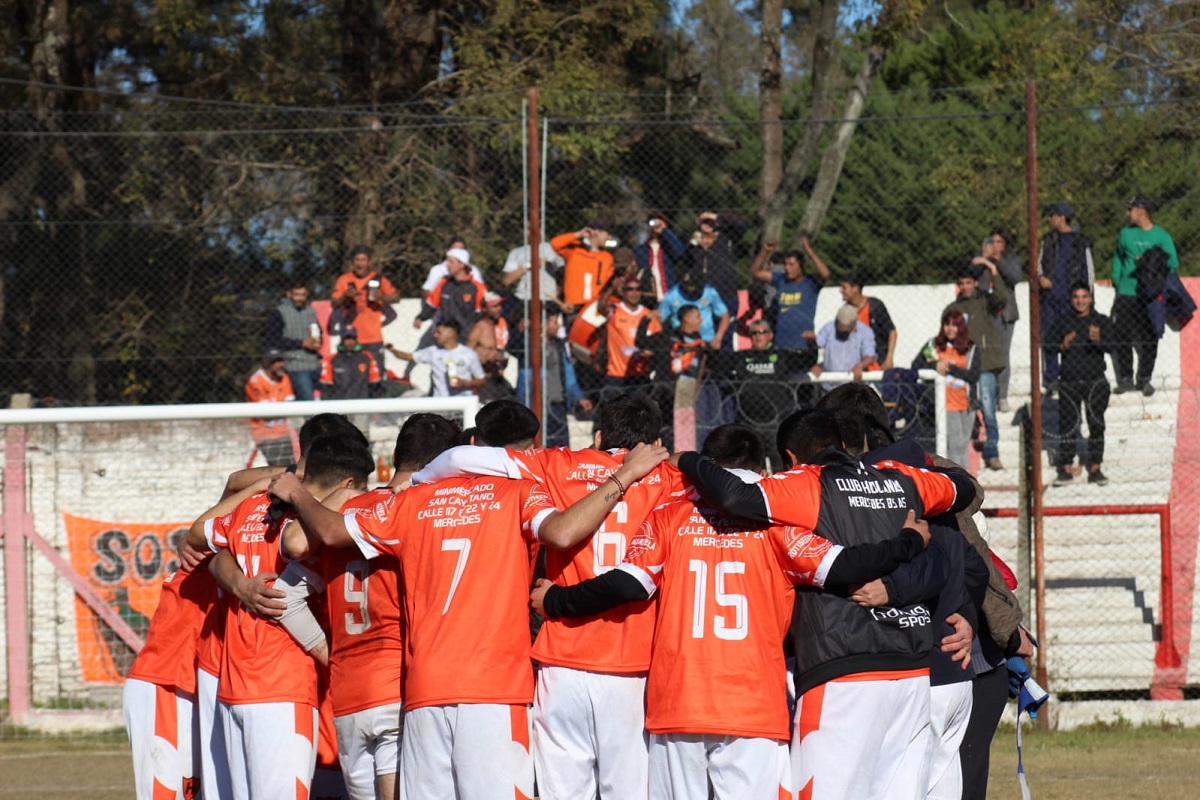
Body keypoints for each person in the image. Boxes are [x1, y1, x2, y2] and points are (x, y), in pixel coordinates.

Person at [266, 421, 669, 800]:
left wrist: (298, 494)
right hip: (493, 691)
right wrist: (624, 476)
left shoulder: (410, 501)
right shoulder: (518, 492)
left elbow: (330, 533)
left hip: (424, 690)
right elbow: (562, 531)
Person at [531, 424, 935, 800]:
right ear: (764, 469)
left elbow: (626, 584)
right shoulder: (778, 525)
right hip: (753, 706)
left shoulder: (670, 517)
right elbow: (848, 566)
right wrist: (908, 542)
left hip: (678, 702)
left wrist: (556, 601)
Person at [675, 407, 977, 800]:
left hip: (844, 668)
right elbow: (964, 487)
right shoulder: (900, 478)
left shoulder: (807, 482)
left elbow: (734, 494)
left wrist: (687, 459)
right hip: (911, 671)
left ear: (790, 458)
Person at [407, 395, 682, 800]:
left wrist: (417, 481)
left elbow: (455, 459)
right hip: (635, 664)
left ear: (599, 434)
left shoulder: (556, 463)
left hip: (560, 663)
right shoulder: (672, 481)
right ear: (655, 441)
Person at [275, 413, 462, 800]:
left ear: (396, 456)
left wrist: (331, 654)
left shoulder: (346, 510)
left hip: (348, 697)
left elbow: (287, 594)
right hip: (397, 688)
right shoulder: (415, 514)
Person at [184, 434, 374, 800]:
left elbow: (208, 544)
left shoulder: (255, 505)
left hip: (236, 686)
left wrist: (239, 584)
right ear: (349, 483)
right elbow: (216, 551)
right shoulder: (317, 527)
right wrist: (242, 586)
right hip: (282, 687)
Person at [1111, 195, 1179, 396]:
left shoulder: (1161, 236)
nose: (1127, 213)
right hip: (1127, 292)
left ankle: (1145, 379)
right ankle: (1125, 379)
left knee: (1150, 337)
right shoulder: (1125, 234)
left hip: (1149, 294)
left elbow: (1172, 263)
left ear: (1141, 210)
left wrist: (1150, 261)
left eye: (1130, 209)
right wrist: (1117, 277)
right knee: (1122, 334)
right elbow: (1118, 256)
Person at [1047, 283, 1114, 486]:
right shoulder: (1063, 321)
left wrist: (1099, 340)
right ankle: (1066, 467)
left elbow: (1113, 347)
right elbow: (1047, 345)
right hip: (1069, 380)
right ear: (1071, 299)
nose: (1080, 301)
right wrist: (1063, 344)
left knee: (1096, 423)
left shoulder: (1101, 320)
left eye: (1084, 296)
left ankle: (1095, 466)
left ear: (1091, 299)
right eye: (1076, 296)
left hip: (1095, 381)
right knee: (1067, 424)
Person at [945, 262, 1008, 471]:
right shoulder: (953, 310)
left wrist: (992, 267)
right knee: (963, 411)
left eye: (969, 283)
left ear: (975, 283)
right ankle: (959, 455)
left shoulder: (985, 301)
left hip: (985, 366)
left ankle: (992, 452)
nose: (965, 287)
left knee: (988, 409)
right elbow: (941, 337)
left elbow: (1002, 298)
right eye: (961, 283)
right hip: (961, 370)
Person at [1037, 204, 1095, 395]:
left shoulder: (1081, 242)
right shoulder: (1048, 241)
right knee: (1050, 338)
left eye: (1052, 215)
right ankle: (1052, 378)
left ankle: (1073, 375)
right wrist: (1041, 278)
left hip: (1072, 300)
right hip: (1050, 300)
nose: (1049, 219)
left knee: (1075, 338)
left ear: (1062, 217)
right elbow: (1039, 265)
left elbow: (1089, 271)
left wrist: (1086, 297)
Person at [912, 310, 980, 468]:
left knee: (962, 446)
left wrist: (950, 368)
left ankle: (965, 482)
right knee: (954, 446)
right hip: (946, 403)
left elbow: (973, 375)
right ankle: (959, 482)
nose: (950, 329)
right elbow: (916, 365)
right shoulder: (934, 345)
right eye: (947, 324)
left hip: (967, 404)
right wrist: (935, 365)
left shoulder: (970, 348)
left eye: (955, 325)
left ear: (961, 327)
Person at [749, 237, 831, 351]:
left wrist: (808, 250)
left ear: (801, 266)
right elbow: (755, 272)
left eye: (791, 265)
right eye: (785, 264)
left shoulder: (810, 282)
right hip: (781, 343)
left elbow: (825, 274)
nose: (787, 268)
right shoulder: (781, 280)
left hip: (802, 343)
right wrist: (765, 251)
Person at [683, 210, 749, 346]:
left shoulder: (725, 238)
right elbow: (684, 260)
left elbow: (743, 224)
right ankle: (704, 365)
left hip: (725, 295)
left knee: (725, 335)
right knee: (702, 336)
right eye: (704, 222)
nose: (707, 225)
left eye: (711, 223)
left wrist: (715, 216)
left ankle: (725, 365)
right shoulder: (694, 242)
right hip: (702, 297)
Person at [331, 244, 400, 370]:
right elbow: (334, 303)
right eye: (357, 260)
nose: (360, 264)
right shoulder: (344, 279)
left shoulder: (378, 279)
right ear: (352, 262)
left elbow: (396, 297)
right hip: (351, 337)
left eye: (363, 260)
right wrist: (346, 297)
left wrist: (381, 297)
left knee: (376, 375)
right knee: (352, 376)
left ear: (369, 262)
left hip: (373, 337)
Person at [977, 230, 1023, 411]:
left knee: (1003, 355)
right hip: (986, 315)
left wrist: (998, 261)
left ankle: (1002, 396)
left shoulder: (1011, 260)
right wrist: (985, 260)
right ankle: (985, 395)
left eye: (999, 242)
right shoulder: (982, 261)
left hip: (1006, 314)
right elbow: (975, 282)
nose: (995, 246)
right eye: (992, 242)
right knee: (984, 355)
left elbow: (1015, 277)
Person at [387, 319, 485, 397]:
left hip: (463, 401)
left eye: (439, 332)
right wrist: (392, 350)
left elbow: (481, 380)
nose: (435, 335)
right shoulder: (433, 351)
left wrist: (464, 383)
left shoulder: (468, 354)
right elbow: (409, 356)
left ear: (451, 334)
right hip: (441, 402)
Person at [596, 277, 661, 387]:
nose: (634, 293)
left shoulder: (649, 315)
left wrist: (651, 352)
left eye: (637, 289)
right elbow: (601, 307)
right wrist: (612, 288)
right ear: (624, 292)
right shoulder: (615, 311)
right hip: (616, 374)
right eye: (630, 289)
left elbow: (659, 343)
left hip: (640, 374)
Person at [265, 283, 323, 401]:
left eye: (303, 295)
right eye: (297, 295)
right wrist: (301, 343)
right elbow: (274, 340)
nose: (300, 298)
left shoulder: (310, 311)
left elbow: (318, 331)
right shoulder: (279, 312)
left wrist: (317, 342)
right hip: (294, 364)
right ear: (289, 294)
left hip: (315, 363)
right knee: (308, 402)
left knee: (329, 398)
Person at [244, 349, 296, 467]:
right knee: (278, 470)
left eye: (281, 360)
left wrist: (278, 410)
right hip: (264, 434)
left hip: (283, 432)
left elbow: (291, 407)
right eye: (276, 361)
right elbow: (265, 414)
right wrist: (280, 410)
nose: (281, 364)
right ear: (267, 364)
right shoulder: (255, 381)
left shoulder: (284, 378)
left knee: (291, 469)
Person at [551, 220, 617, 309]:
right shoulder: (575, 249)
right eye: (607, 234)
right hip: (573, 305)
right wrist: (578, 234)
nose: (609, 238)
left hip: (594, 306)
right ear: (596, 232)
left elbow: (607, 282)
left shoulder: (607, 257)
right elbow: (555, 244)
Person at [839, 271, 897, 370]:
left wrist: (889, 359)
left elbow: (892, 331)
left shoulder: (875, 306)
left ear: (855, 289)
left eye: (844, 287)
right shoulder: (845, 311)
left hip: (878, 363)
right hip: (857, 367)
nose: (840, 290)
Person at [659, 269, 730, 349]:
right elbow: (660, 319)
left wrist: (718, 338)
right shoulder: (671, 295)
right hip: (680, 342)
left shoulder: (709, 291)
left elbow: (725, 316)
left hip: (707, 340)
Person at [811, 303, 877, 389]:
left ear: (854, 324)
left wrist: (860, 366)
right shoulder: (828, 328)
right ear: (837, 321)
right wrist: (818, 365)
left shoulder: (865, 332)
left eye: (847, 330)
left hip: (854, 386)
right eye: (841, 329)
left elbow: (870, 356)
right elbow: (818, 343)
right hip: (829, 386)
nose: (843, 333)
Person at [632, 212, 685, 306]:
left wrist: (665, 231)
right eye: (652, 222)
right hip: (648, 298)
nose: (655, 226)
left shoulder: (669, 248)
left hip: (669, 296)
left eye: (660, 222)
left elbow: (681, 253)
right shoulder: (640, 250)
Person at [318, 326, 382, 401]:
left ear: (356, 340)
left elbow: (374, 383)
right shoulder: (331, 359)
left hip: (363, 403)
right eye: (347, 338)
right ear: (342, 340)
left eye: (352, 338)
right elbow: (326, 386)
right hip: (340, 404)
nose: (350, 341)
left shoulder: (367, 357)